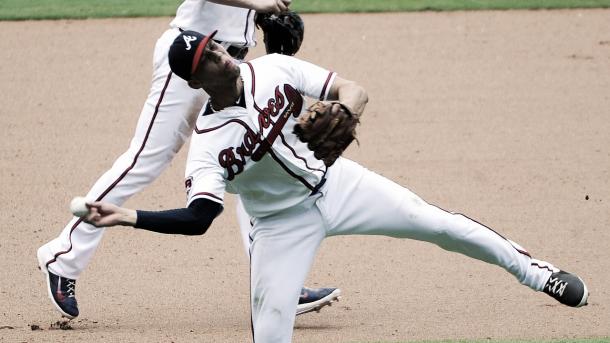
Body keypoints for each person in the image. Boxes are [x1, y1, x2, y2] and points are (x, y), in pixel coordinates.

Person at [82, 30, 590, 342]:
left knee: (435, 223)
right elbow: (198, 219)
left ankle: (537, 273)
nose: (219, 56)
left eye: (214, 47)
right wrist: (128, 216)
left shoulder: (273, 69)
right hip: (279, 229)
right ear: (196, 82)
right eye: (206, 60)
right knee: (272, 331)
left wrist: (347, 109)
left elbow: (354, 88)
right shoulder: (207, 145)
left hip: (339, 186)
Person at [36, 0, 340, 320]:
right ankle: (63, 256)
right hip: (189, 60)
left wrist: (261, 16)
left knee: (254, 163)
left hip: (230, 66)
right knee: (142, 161)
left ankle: (277, 284)